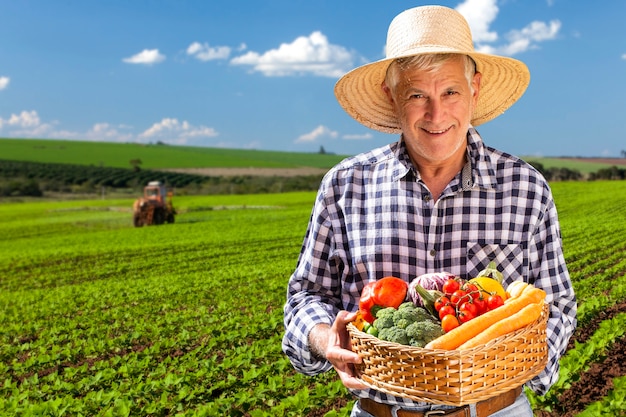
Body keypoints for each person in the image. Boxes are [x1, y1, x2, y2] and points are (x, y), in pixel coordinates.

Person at [282, 5, 577, 417]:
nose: (436, 115)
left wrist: (515, 359)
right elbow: (306, 296)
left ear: (474, 89)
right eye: (417, 94)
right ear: (391, 95)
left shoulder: (525, 188)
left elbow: (558, 303)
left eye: (450, 92)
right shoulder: (345, 186)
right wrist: (323, 338)